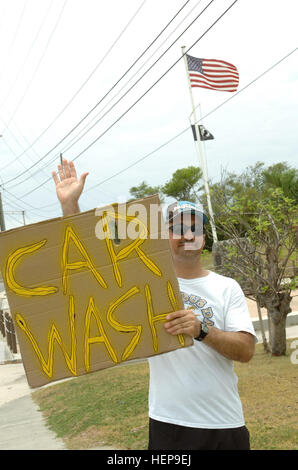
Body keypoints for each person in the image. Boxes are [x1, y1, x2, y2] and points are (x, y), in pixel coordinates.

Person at [52, 159, 257, 451]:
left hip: (226, 424)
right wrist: (70, 206)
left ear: (204, 236)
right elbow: (88, 269)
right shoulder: (145, 282)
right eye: (178, 228)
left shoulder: (227, 287)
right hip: (169, 425)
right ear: (164, 235)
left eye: (195, 228)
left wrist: (201, 331)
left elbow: (246, 351)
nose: (188, 235)